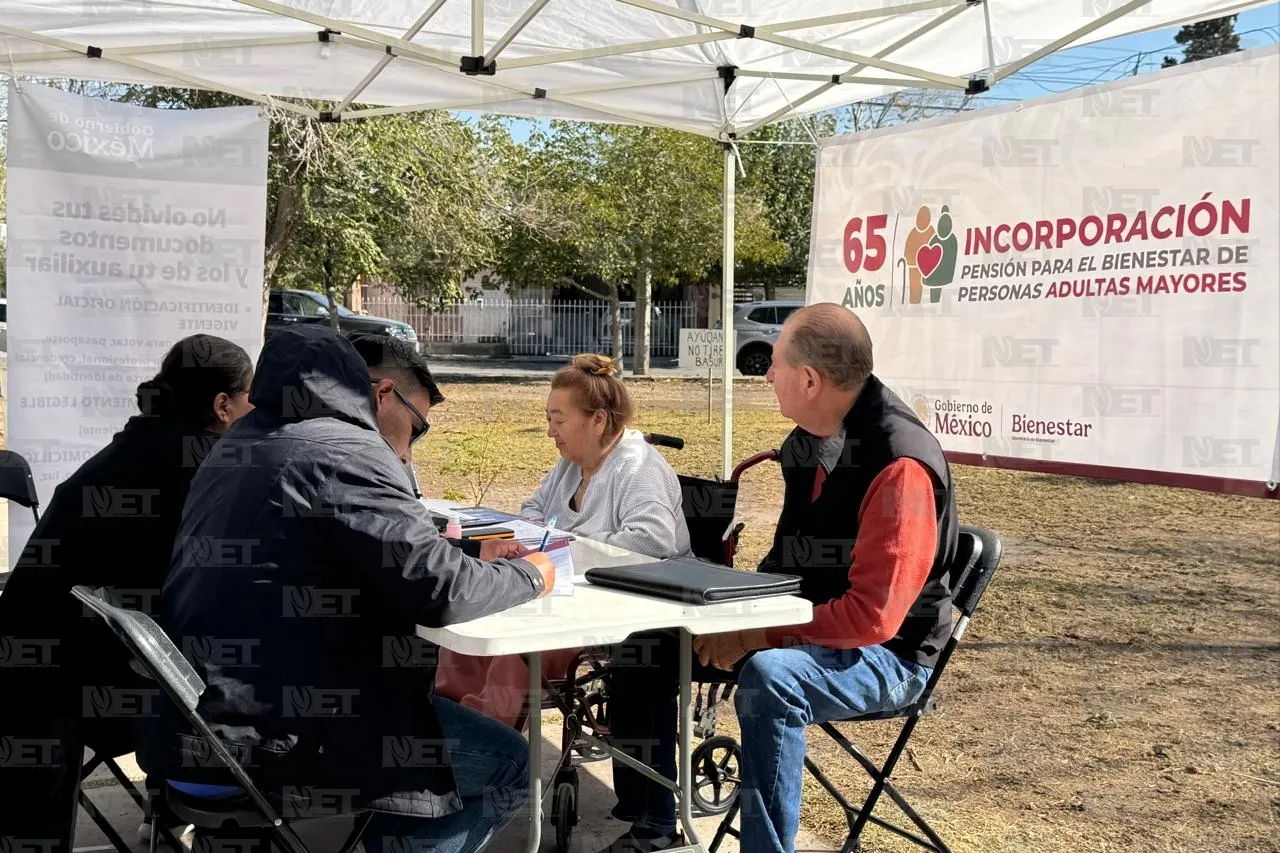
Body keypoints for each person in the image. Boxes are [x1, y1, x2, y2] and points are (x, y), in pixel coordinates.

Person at [144, 324, 556, 853]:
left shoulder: (243, 443)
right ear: (383, 394)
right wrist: (532, 575)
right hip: (273, 733)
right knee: (509, 763)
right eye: (419, 425)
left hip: (197, 724)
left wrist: (472, 553)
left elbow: (327, 548)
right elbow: (443, 592)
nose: (411, 446)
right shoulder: (345, 451)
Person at [599, 304, 959, 853]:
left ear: (810, 380)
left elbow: (873, 618)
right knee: (645, 643)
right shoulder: (806, 443)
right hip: (804, 629)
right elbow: (784, 570)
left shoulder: (898, 464)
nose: (766, 373)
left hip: (892, 656)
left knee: (772, 677)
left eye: (775, 363)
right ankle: (652, 824)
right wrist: (720, 614)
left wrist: (756, 635)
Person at [0, 334, 254, 850]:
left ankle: (166, 812)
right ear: (222, 405)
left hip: (35, 653)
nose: (256, 410)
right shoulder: (197, 462)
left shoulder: (147, 440)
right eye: (251, 397)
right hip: (60, 678)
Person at [436, 353, 692, 729]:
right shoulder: (571, 463)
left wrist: (562, 545)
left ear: (598, 420)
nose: (550, 432)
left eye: (558, 421)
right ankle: (446, 716)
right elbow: (532, 509)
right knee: (475, 612)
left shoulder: (639, 468)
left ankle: (484, 739)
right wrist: (547, 541)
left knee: (514, 640)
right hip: (568, 594)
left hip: (630, 611)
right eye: (548, 420)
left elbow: (650, 542)